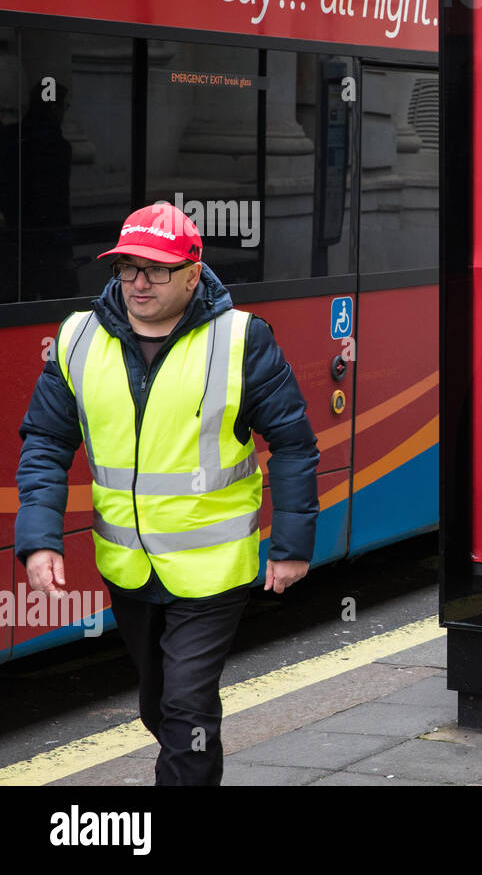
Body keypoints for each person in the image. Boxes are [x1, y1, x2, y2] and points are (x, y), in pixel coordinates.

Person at [15, 201, 320, 784]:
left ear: (193, 271)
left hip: (213, 571)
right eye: (127, 267)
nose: (138, 282)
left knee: (186, 710)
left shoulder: (242, 341)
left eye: (156, 269)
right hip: (128, 568)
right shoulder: (78, 339)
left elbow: (294, 444)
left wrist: (291, 544)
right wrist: (39, 539)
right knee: (159, 708)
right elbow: (46, 442)